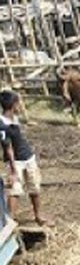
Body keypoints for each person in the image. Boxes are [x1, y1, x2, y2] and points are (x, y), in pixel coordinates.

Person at [0, 91, 49, 226]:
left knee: (34, 188)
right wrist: (14, 170)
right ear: (13, 105)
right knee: (14, 190)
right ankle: (10, 221)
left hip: (28, 157)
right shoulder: (2, 125)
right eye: (18, 103)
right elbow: (8, 148)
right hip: (15, 161)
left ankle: (38, 216)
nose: (20, 106)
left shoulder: (13, 118)